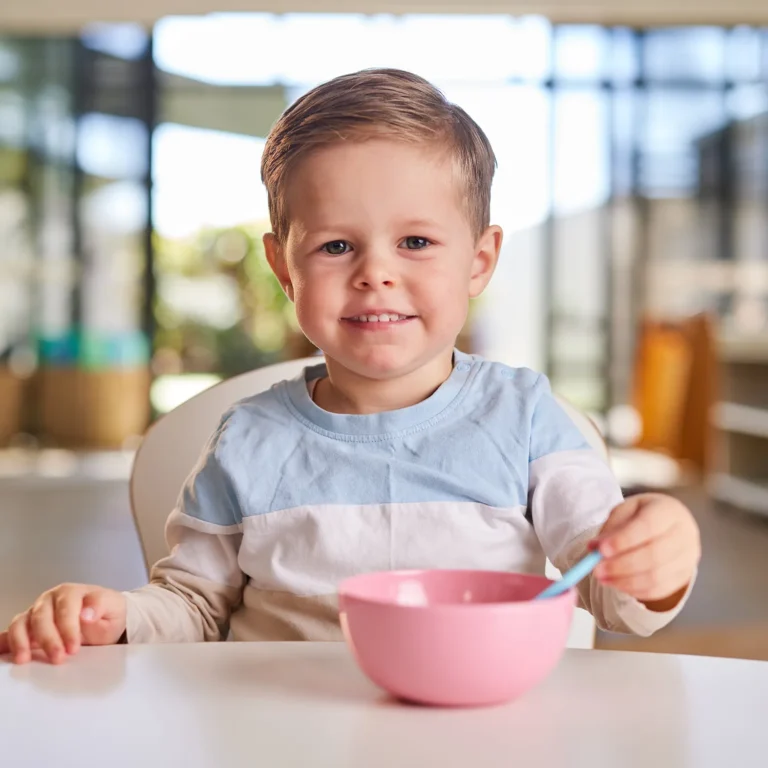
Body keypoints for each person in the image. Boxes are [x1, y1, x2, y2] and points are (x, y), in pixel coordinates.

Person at [0, 69, 700, 665]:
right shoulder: (246, 439)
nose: (376, 275)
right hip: (280, 735)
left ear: (479, 260)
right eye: (336, 247)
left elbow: (614, 596)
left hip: (479, 736)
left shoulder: (527, 421)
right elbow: (193, 608)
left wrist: (657, 558)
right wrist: (115, 616)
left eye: (416, 241)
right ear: (283, 267)